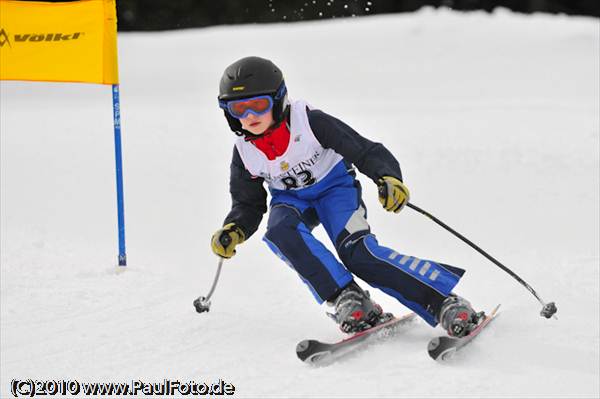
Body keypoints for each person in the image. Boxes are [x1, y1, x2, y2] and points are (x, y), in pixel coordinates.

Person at [211, 56, 483, 337]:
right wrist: (236, 228)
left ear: (278, 100)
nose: (249, 116)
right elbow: (247, 201)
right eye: (238, 108)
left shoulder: (310, 122)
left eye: (258, 105)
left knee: (358, 253)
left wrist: (387, 177)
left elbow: (365, 150)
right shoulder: (245, 151)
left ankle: (443, 302)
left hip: (335, 189)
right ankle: (348, 298)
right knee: (280, 232)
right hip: (291, 199)